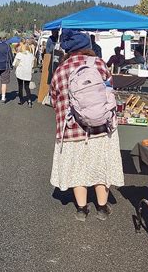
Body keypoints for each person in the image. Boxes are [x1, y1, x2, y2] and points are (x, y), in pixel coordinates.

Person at [50, 30, 124, 221]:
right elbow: (110, 91)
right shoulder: (99, 64)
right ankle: (101, 207)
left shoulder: (61, 69)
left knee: (77, 169)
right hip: (101, 127)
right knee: (101, 166)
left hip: (71, 131)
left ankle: (81, 210)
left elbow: (54, 99)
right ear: (88, 47)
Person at [13, 42, 35, 107]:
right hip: (28, 72)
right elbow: (33, 64)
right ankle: (29, 100)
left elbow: (15, 64)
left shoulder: (19, 54)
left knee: (20, 86)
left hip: (20, 72)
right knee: (27, 87)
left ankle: (21, 100)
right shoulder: (31, 55)